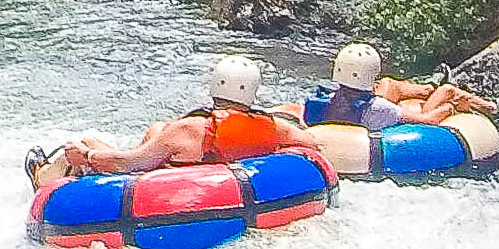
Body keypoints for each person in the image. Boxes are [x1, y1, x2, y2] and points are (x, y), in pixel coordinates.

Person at [41, 55, 322, 177]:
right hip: (230, 188)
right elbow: (310, 144)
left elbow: (130, 164)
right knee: (157, 128)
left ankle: (42, 176)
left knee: (87, 142)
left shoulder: (191, 128)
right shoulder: (273, 128)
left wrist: (87, 157)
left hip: (164, 190)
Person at [302, 43, 496, 128]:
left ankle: (429, 86)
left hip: (353, 122)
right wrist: (451, 107)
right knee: (448, 91)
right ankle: (493, 108)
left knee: (388, 84)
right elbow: (427, 121)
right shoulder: (379, 108)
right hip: (378, 127)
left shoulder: (322, 99)